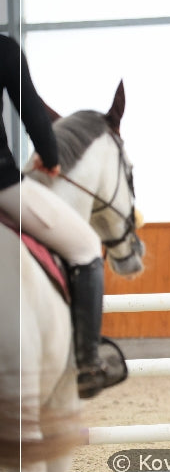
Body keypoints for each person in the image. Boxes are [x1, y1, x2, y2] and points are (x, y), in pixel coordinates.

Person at [0, 34, 112, 399]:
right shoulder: (4, 49)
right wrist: (49, 156)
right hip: (4, 187)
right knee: (86, 246)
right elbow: (32, 114)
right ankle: (88, 364)